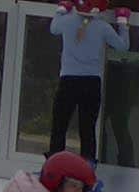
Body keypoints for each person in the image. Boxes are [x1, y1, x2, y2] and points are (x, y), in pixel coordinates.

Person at [45, 1, 128, 166]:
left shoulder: (67, 21)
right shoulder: (102, 27)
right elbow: (122, 46)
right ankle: (88, 169)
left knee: (60, 125)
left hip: (68, 80)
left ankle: (53, 166)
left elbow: (53, 29)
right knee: (87, 128)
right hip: (91, 82)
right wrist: (122, 22)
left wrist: (61, 10)